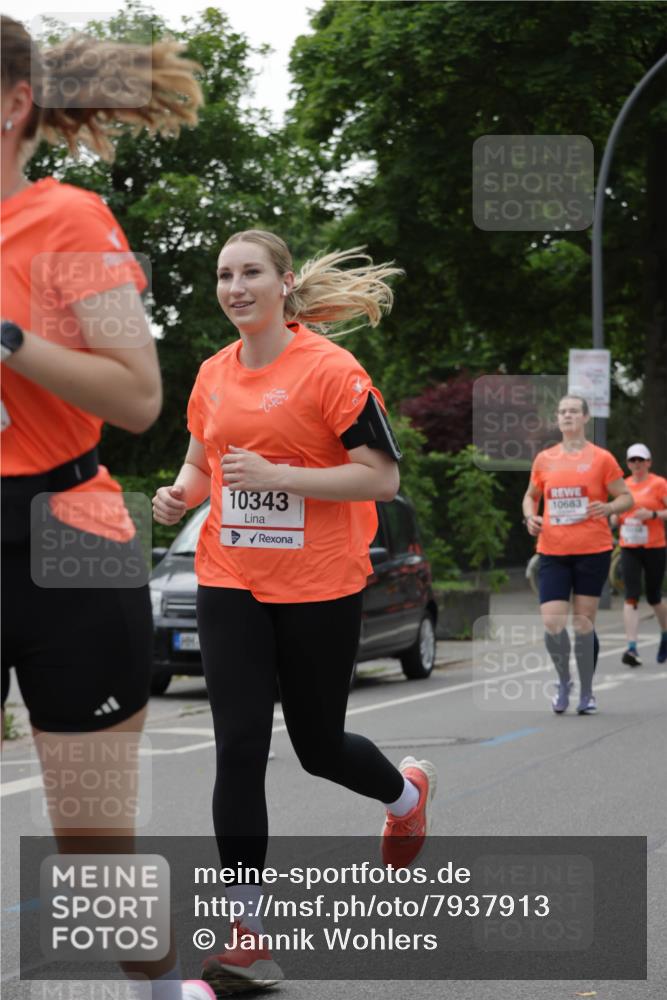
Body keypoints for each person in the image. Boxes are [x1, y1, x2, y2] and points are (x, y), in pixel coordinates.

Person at [152, 229, 438, 995]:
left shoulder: (331, 370)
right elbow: (203, 459)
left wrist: (279, 474)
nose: (235, 287)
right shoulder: (212, 374)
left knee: (316, 745)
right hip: (230, 577)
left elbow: (379, 479)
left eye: (250, 273)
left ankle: (405, 796)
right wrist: (183, 493)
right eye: (223, 275)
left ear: (283, 284)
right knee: (239, 746)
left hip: (319, 582)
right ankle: (249, 935)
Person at [0, 16, 213, 1000]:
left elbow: (136, 396)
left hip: (65, 546)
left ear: (12, 106)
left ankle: (166, 992)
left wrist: (6, 338)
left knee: (93, 857)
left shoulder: (69, 223)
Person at [522, 395, 632, 715]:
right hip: (552, 550)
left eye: (574, 411)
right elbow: (530, 497)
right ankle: (563, 680)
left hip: (591, 549)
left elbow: (626, 498)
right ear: (557, 420)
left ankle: (586, 689)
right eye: (562, 412)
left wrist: (609, 507)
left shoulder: (602, 459)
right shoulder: (545, 459)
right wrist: (531, 517)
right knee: (553, 623)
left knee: (584, 625)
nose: (568, 415)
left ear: (585, 418)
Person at [610, 443, 667, 667]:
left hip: (654, 546)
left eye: (641, 460)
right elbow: (613, 514)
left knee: (654, 596)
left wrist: (652, 514)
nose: (637, 465)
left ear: (648, 463)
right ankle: (631, 648)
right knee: (631, 595)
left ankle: (664, 635)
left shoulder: (659, 484)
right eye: (632, 461)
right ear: (628, 463)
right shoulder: (622, 485)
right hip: (629, 546)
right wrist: (614, 518)